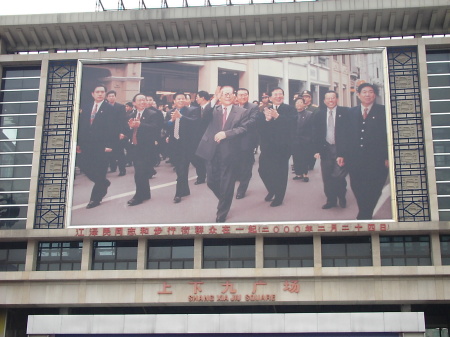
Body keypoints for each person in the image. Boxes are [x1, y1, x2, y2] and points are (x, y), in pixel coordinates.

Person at [196, 85, 248, 222]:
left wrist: (226, 134)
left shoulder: (242, 112)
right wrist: (214, 100)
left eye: (230, 93)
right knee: (211, 182)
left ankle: (222, 212)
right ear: (219, 95)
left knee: (227, 183)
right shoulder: (213, 109)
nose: (227, 95)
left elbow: (243, 128)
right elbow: (204, 116)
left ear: (234, 96)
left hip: (230, 152)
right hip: (211, 150)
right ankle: (225, 199)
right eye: (224, 93)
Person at [346, 83, 389, 220]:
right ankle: (364, 209)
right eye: (364, 92)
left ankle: (366, 213)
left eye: (370, 92)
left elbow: (389, 135)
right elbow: (344, 134)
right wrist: (342, 154)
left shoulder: (384, 111)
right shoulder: (351, 112)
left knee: (375, 187)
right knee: (356, 185)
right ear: (358, 95)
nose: (367, 94)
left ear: (375, 95)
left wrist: (388, 156)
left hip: (378, 159)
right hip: (356, 158)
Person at [77, 84, 117, 209]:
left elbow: (113, 129)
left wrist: (109, 145)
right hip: (86, 145)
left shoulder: (110, 109)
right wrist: (78, 143)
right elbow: (81, 126)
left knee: (100, 171)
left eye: (102, 92)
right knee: (84, 166)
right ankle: (104, 183)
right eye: (97, 91)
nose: (100, 94)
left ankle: (95, 198)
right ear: (92, 94)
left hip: (102, 146)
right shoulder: (86, 107)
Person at [257, 87, 296, 207]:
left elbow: (293, 125)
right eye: (275, 94)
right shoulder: (265, 109)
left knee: (280, 172)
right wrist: (267, 120)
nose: (278, 96)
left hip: (283, 147)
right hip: (267, 147)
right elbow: (260, 128)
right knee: (262, 170)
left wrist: (278, 117)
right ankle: (272, 189)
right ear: (270, 97)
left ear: (283, 96)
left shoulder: (289, 109)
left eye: (280, 94)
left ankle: (279, 197)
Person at [313, 90, 349, 210]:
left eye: (333, 98)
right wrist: (316, 150)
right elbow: (316, 134)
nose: (331, 100)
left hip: (341, 150)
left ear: (337, 99)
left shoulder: (345, 112)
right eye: (328, 98)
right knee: (327, 177)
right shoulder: (319, 114)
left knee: (339, 176)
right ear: (324, 101)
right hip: (326, 149)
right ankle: (331, 200)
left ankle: (342, 196)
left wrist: (345, 152)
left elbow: (349, 132)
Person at [127, 93, 164, 206]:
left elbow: (156, 128)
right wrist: (129, 127)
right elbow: (127, 129)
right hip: (134, 146)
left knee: (139, 172)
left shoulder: (152, 114)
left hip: (146, 147)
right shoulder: (131, 114)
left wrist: (140, 124)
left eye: (144, 100)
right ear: (134, 103)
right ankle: (146, 193)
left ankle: (138, 196)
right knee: (141, 171)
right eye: (140, 100)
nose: (143, 102)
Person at [166, 92, 201, 203]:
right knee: (180, 169)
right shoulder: (170, 112)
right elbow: (165, 125)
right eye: (178, 99)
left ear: (186, 101)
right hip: (174, 144)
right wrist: (171, 121)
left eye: (183, 99)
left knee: (182, 169)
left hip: (187, 145)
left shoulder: (193, 110)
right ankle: (185, 189)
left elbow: (195, 123)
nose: (181, 100)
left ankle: (178, 194)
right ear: (174, 101)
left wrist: (181, 117)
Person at [235, 88, 259, 199]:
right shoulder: (233, 107)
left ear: (248, 96)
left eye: (245, 95)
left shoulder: (253, 107)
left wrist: (237, 128)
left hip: (246, 141)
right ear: (236, 96)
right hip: (233, 141)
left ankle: (242, 189)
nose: (243, 97)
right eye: (240, 95)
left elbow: (253, 122)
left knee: (245, 166)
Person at [106, 90, 128, 176]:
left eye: (113, 96)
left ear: (115, 97)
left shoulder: (120, 107)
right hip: (107, 133)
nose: (111, 97)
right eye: (110, 96)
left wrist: (122, 132)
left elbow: (123, 120)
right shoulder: (104, 106)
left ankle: (122, 169)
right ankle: (113, 166)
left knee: (120, 152)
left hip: (117, 133)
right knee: (109, 151)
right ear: (107, 98)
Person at [292, 97, 314, 182]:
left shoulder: (309, 114)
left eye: (301, 102)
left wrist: (310, 139)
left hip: (305, 139)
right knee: (296, 157)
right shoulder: (293, 114)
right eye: (297, 102)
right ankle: (298, 173)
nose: (299, 104)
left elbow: (311, 128)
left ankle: (305, 174)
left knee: (304, 157)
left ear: (304, 104)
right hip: (295, 140)